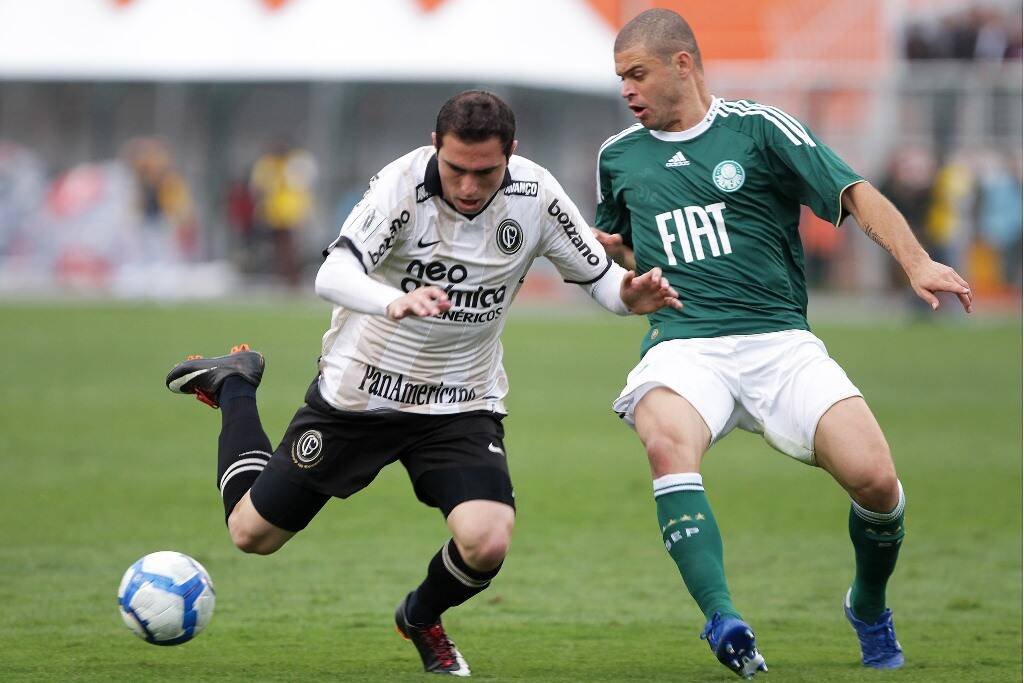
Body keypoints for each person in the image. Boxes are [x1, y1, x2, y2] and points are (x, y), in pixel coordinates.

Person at [165, 90, 680, 677]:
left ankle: (420, 615)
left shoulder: (535, 195)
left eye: (484, 172)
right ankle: (234, 385)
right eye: (455, 168)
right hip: (361, 393)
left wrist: (627, 295)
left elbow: (603, 281)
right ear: (436, 147)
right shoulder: (399, 188)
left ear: (510, 155)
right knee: (250, 534)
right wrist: (395, 302)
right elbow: (332, 272)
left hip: (461, 401)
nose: (467, 185)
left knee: (487, 539)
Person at [591, 9, 973, 679]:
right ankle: (722, 616)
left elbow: (854, 193)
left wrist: (915, 261)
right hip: (685, 346)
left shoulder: (759, 130)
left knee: (878, 482)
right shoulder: (618, 156)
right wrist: (610, 263)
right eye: (621, 77)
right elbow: (619, 240)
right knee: (664, 442)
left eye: (637, 74)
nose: (627, 89)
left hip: (779, 343)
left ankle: (868, 603)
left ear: (683, 64)